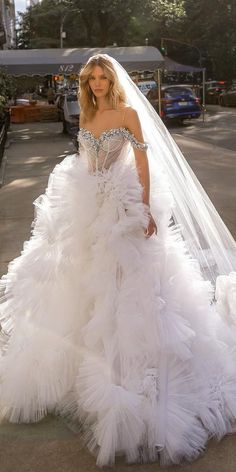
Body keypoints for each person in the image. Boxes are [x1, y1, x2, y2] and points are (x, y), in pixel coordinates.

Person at [0, 54, 236, 468]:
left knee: (131, 289)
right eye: (90, 78)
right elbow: (88, 164)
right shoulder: (87, 118)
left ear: (112, 80)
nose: (96, 84)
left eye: (101, 77)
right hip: (89, 209)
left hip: (123, 208)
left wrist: (142, 208)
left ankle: (134, 379)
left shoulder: (128, 114)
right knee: (82, 285)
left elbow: (143, 161)